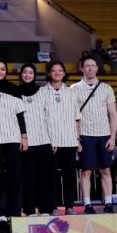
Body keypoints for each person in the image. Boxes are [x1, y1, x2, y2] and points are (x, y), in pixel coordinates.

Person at [71, 56, 117, 214]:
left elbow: (113, 114)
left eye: (93, 65)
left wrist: (112, 137)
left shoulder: (106, 88)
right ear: (82, 68)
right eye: (87, 65)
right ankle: (87, 204)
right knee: (86, 171)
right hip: (85, 135)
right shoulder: (74, 89)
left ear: (97, 68)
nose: (90, 68)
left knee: (106, 170)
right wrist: (77, 138)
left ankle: (109, 203)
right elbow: (72, 116)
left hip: (104, 135)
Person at [0, 59, 28, 222]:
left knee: (15, 175)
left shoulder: (13, 89)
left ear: (6, 71)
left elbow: (20, 115)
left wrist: (24, 136)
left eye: (2, 69)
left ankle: (15, 211)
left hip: (13, 137)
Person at [18, 63, 55, 216]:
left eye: (30, 72)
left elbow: (49, 116)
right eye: (25, 72)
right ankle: (29, 209)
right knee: (27, 177)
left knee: (44, 177)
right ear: (21, 75)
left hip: (44, 140)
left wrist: (53, 139)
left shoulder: (43, 91)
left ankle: (45, 209)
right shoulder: (16, 92)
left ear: (34, 75)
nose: (27, 75)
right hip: (26, 142)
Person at [44, 61, 81, 215]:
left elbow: (77, 118)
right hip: (49, 141)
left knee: (69, 176)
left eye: (60, 70)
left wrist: (78, 139)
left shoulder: (71, 92)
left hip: (69, 140)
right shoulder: (42, 92)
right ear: (49, 73)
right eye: (54, 70)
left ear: (64, 73)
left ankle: (69, 206)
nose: (57, 73)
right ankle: (52, 206)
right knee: (50, 176)